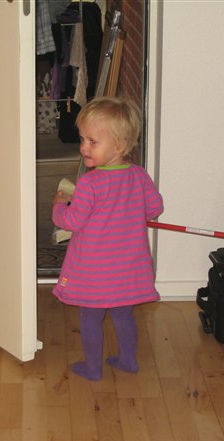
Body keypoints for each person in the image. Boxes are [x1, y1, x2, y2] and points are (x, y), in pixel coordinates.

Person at [52, 96, 164, 381]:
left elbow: (72, 222)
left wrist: (59, 207)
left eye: (93, 141)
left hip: (95, 271)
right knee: (123, 314)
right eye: (83, 139)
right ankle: (128, 360)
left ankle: (92, 368)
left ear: (120, 146)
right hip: (128, 268)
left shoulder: (89, 183)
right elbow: (154, 208)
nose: (84, 147)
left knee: (90, 317)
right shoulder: (139, 176)